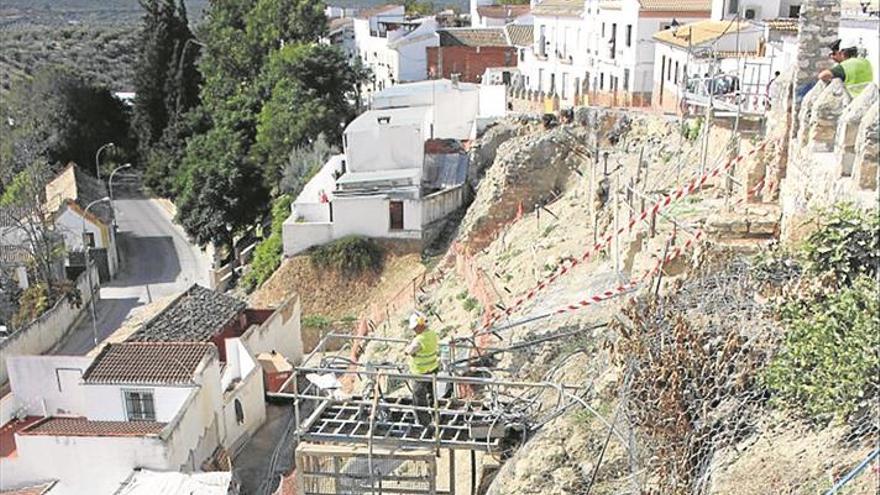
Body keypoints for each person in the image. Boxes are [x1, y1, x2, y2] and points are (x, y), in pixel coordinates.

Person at [405, 311, 439, 428]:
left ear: (420, 326)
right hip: (433, 369)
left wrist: (407, 350)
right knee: (432, 394)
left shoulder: (419, 340)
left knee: (419, 398)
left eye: (415, 328)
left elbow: (410, 351)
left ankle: (424, 423)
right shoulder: (432, 334)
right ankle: (436, 416)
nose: (414, 330)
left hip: (419, 373)